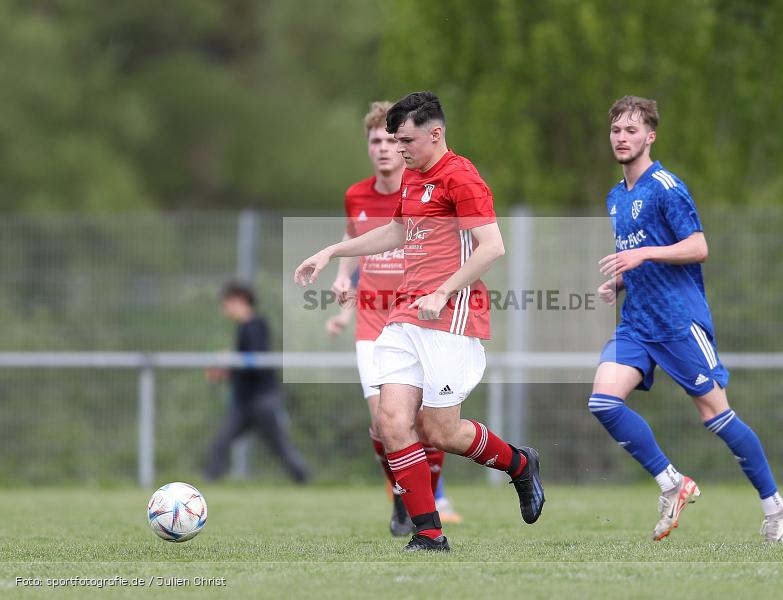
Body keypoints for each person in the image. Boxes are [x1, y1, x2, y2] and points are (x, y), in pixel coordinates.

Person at [297, 91, 544, 552]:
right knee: (391, 423)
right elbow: (395, 231)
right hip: (404, 316)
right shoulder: (413, 176)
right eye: (393, 139)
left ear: (436, 133)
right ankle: (429, 534)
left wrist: (444, 290)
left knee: (440, 432)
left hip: (450, 318)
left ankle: (518, 464)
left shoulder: (462, 177)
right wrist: (333, 252)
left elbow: (493, 246)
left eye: (406, 139)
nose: (399, 149)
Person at [591, 95, 783, 542]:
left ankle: (776, 507)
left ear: (650, 136)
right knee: (603, 401)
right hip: (637, 323)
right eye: (616, 130)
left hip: (678, 321)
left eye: (631, 130)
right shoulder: (616, 196)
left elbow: (698, 246)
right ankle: (672, 483)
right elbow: (641, 257)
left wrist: (643, 252)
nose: (622, 138)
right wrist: (620, 282)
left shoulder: (666, 186)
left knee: (715, 415)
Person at [324, 101, 461, 536]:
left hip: (418, 316)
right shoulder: (356, 195)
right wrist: (343, 279)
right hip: (371, 321)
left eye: (391, 140)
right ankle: (404, 497)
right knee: (384, 424)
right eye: (376, 141)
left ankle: (426, 501)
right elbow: (353, 238)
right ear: (367, 147)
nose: (384, 149)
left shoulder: (424, 185)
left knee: (426, 426)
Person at [204, 280, 311, 483]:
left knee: (279, 445)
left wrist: (230, 358)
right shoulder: (244, 327)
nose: (224, 309)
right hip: (245, 403)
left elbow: (256, 359)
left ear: (240, 300)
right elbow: (245, 365)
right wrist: (227, 369)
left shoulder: (255, 325)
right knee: (220, 443)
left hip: (262, 400)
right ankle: (209, 485)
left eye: (226, 303)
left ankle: (304, 479)